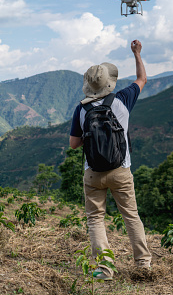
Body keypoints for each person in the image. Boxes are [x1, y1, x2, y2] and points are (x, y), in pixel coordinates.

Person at [69, 40, 151, 280]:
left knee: (95, 219)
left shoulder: (81, 109)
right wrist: (137, 54)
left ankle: (105, 269)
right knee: (131, 216)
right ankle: (143, 264)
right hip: (120, 170)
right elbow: (142, 79)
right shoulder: (123, 99)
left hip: (93, 173)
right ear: (109, 83)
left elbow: (74, 144)